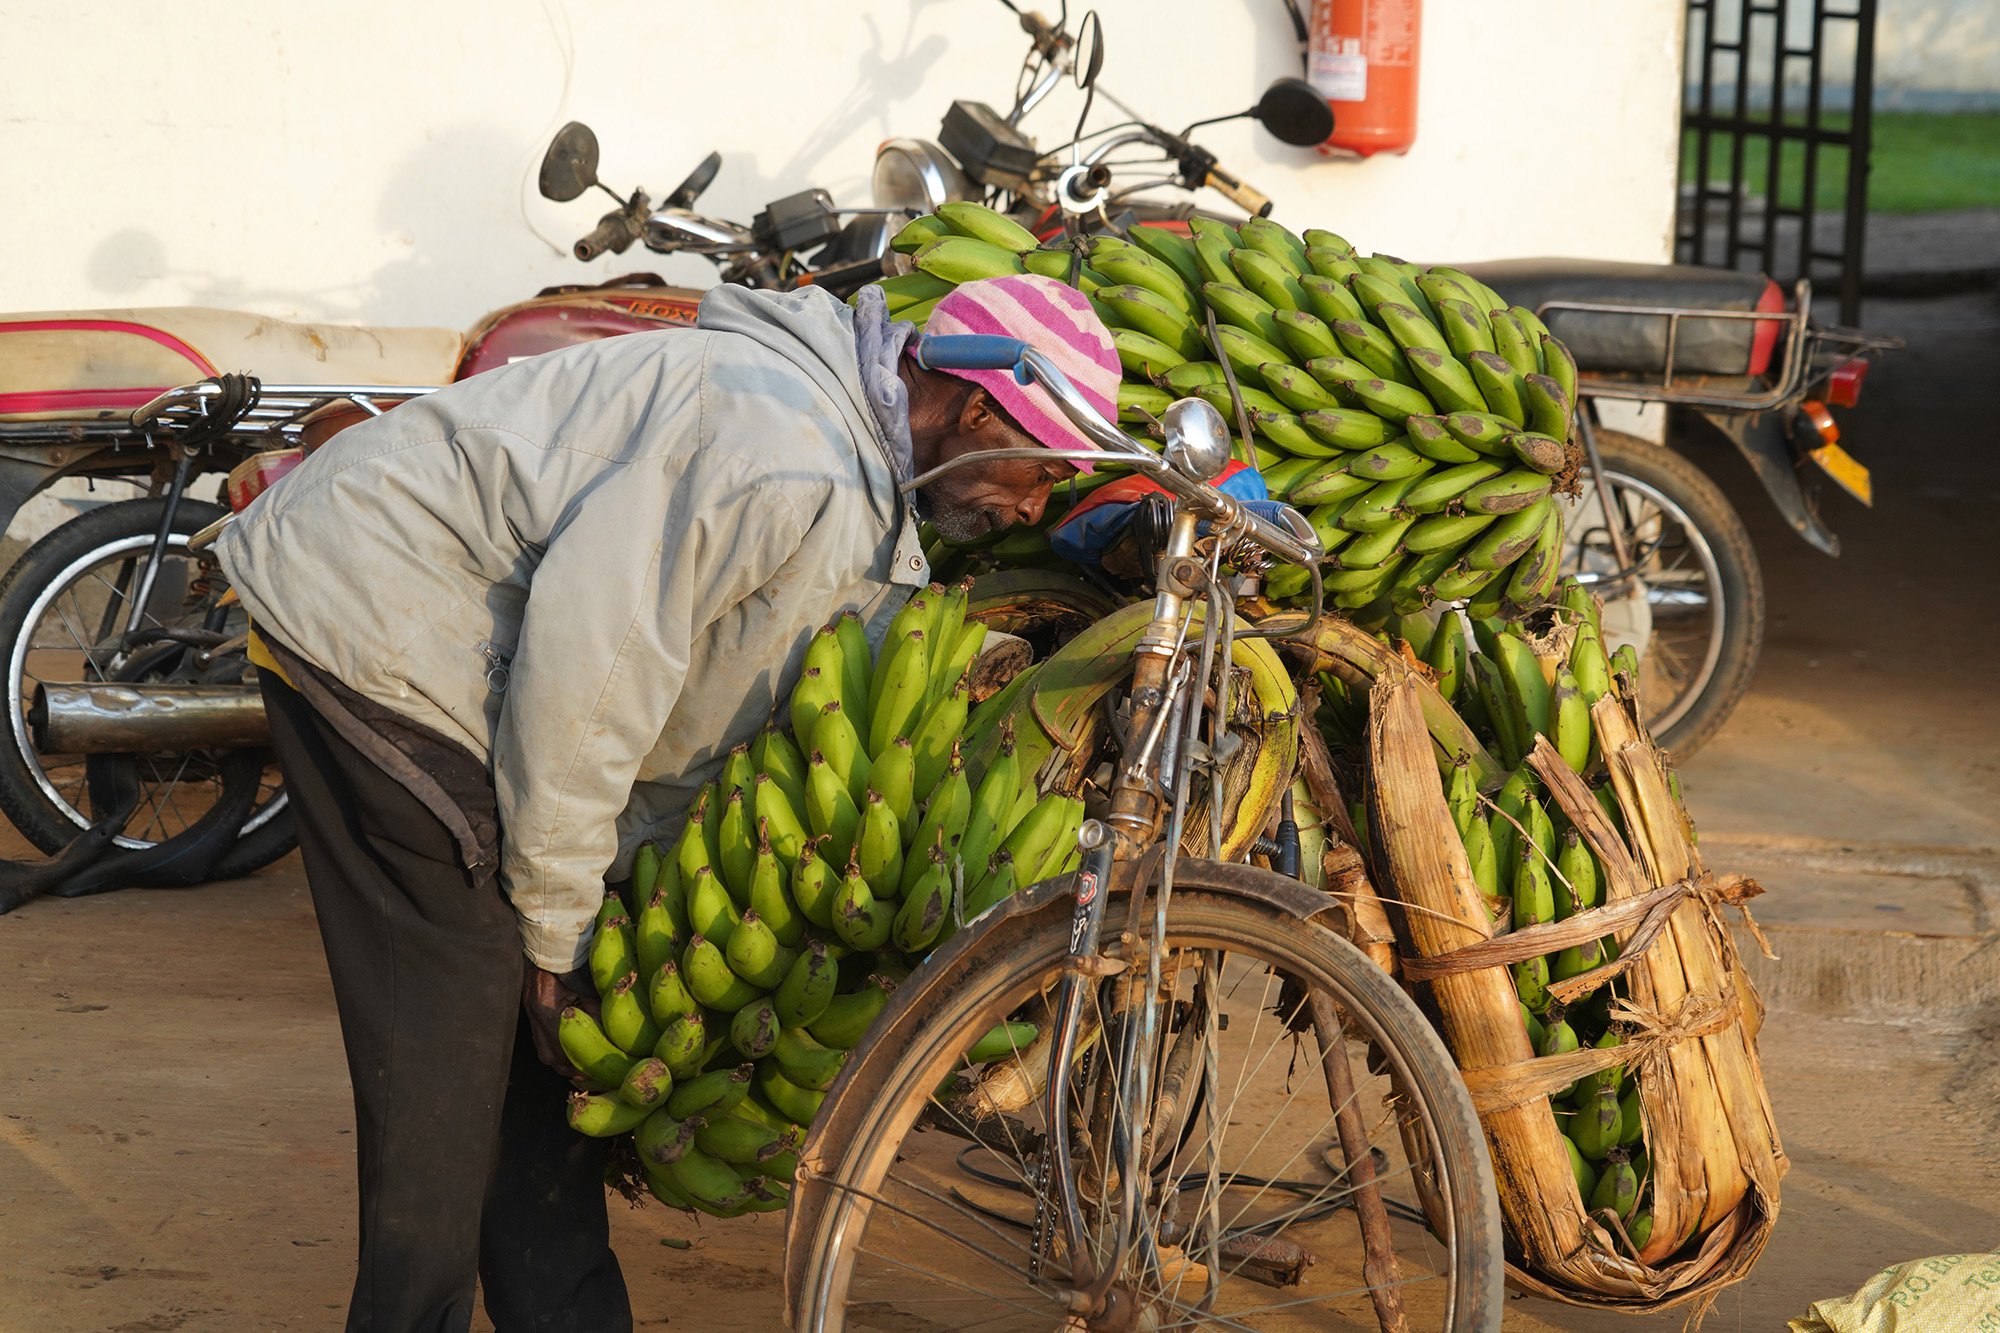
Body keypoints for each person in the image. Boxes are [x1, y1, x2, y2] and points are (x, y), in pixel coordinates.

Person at [214, 273, 1122, 1332]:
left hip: (452, 650)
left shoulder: (843, 464)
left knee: (518, 1061)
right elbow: (593, 675)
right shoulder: (777, 452)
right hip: (380, 621)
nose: (1031, 507)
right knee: (457, 1019)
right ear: (974, 409)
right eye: (1041, 471)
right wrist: (557, 929)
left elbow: (689, 706)